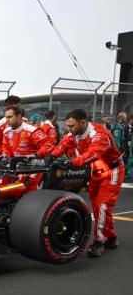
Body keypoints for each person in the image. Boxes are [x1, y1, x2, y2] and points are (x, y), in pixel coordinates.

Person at [50, 109, 124, 257]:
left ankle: (99, 242)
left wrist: (72, 163)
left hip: (111, 172)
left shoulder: (99, 134)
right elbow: (62, 146)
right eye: (68, 126)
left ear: (83, 122)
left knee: (103, 206)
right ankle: (111, 238)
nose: (69, 130)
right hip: (95, 172)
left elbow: (92, 154)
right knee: (97, 207)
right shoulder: (74, 133)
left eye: (72, 126)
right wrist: (50, 157)